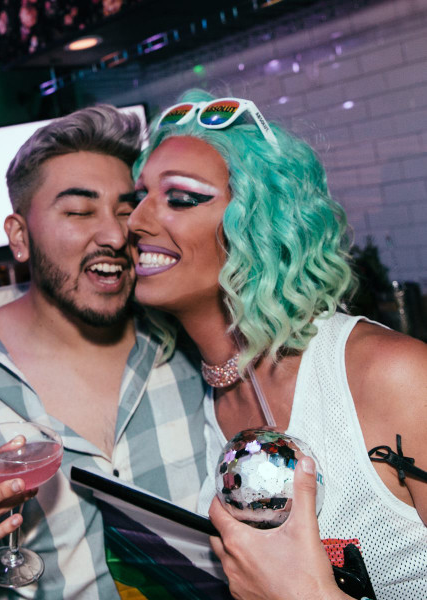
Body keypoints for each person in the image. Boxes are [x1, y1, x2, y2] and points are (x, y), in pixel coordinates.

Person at [127, 90, 427, 599]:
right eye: (137, 198)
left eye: (180, 198)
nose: (134, 222)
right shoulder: (189, 403)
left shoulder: (389, 376)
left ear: (259, 222)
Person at [0, 105, 208, 598]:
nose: (113, 235)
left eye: (126, 211)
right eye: (79, 211)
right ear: (19, 237)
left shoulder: (189, 342)